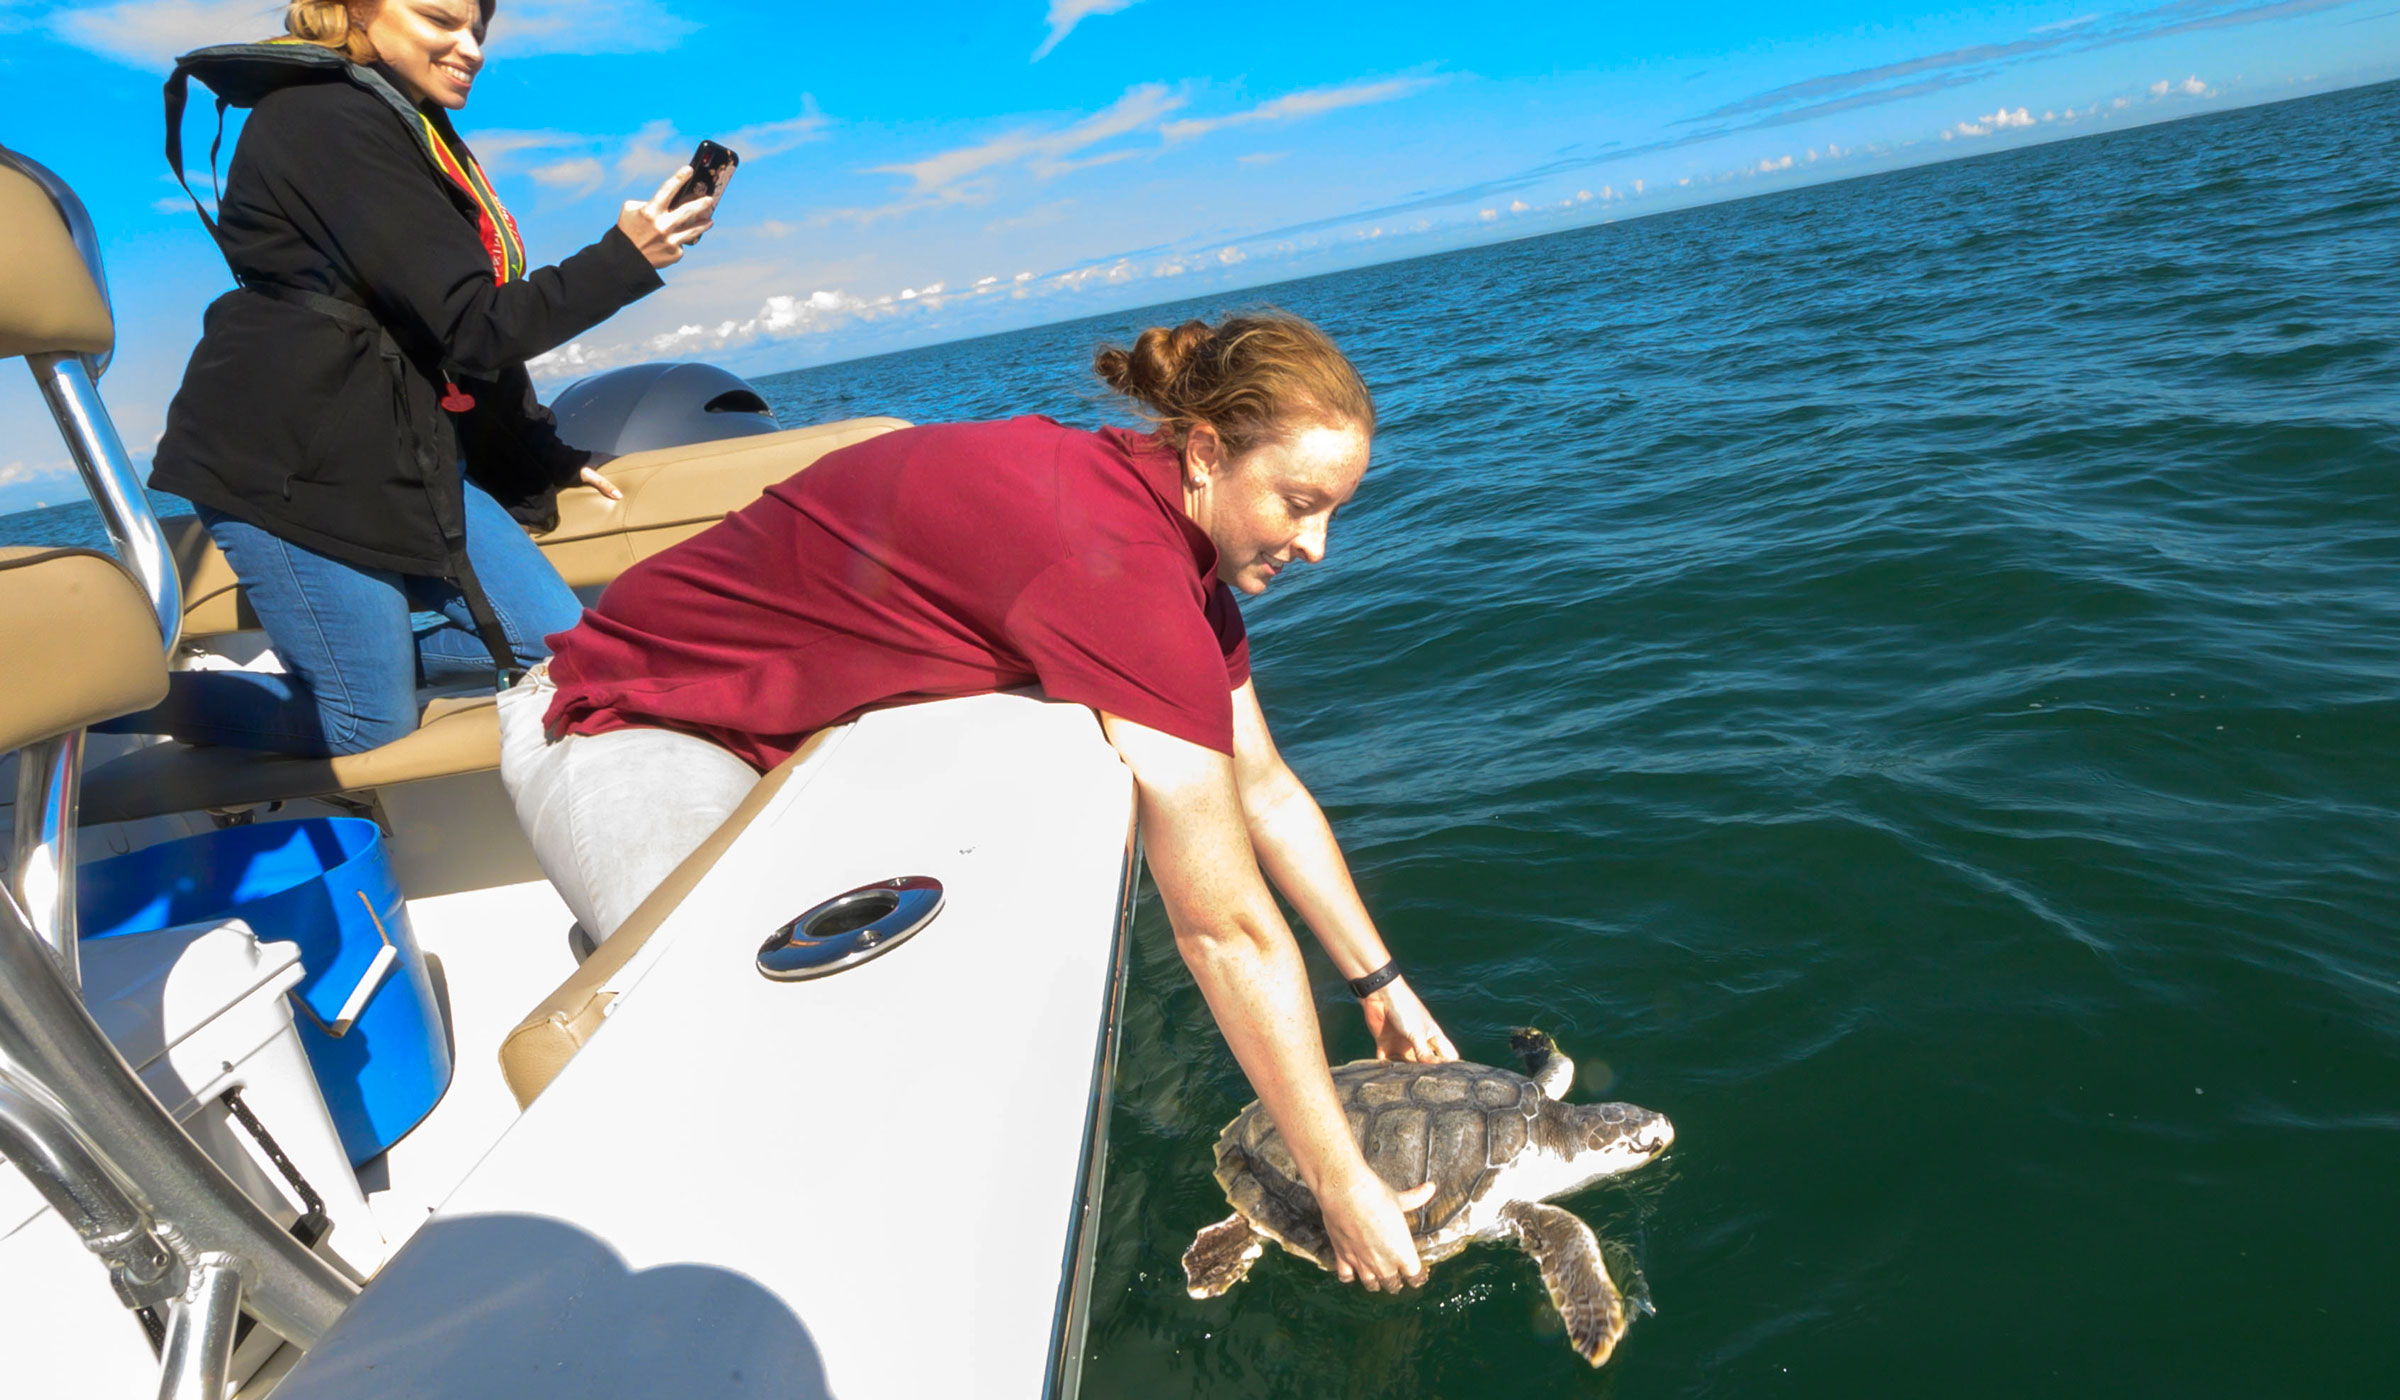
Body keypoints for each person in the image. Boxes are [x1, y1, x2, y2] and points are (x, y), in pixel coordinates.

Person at [499, 312, 1460, 1295]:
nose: (1318, 546)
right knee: (737, 1073)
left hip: (782, 748)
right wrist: (1339, 1180)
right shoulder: (1116, 567)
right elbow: (1226, 930)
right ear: (1207, 451)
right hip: (622, 721)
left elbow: (1263, 784)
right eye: (1300, 503)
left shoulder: (1165, 539)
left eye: (1334, 509)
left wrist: (1380, 983)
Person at [107, 0, 717, 756]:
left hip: (399, 457)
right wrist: (623, 260)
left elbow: (441, 337)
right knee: (369, 724)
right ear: (354, 9)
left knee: (567, 656)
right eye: (440, 19)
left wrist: (542, 456)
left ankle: (352, 658)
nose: (470, 48)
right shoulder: (324, 119)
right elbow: (475, 324)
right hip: (285, 466)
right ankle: (95, 703)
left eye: (479, 32)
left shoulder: (401, 123)